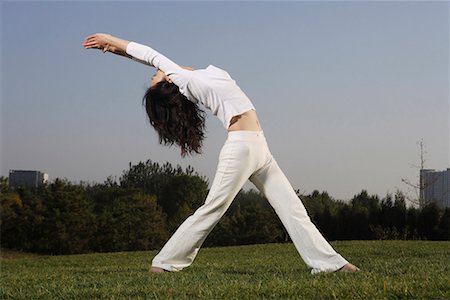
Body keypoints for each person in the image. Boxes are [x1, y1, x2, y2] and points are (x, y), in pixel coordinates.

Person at [83, 33, 360, 274]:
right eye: (156, 75)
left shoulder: (190, 76)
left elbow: (153, 60)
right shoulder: (184, 79)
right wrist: (108, 38)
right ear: (167, 83)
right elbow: (149, 54)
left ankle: (329, 263)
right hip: (240, 148)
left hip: (259, 146)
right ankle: (165, 261)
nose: (155, 72)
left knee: (292, 208)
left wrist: (114, 49)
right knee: (213, 208)